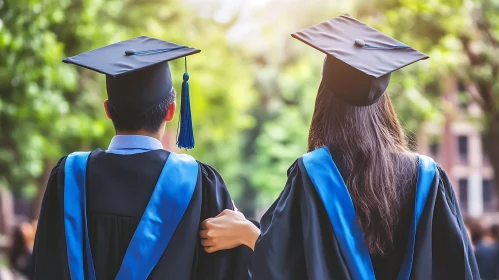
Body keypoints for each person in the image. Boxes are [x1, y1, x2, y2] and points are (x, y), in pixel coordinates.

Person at [249, 14, 476, 279]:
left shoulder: (311, 174)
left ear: (325, 99)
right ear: (385, 104)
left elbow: (280, 264)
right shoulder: (428, 176)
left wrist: (250, 235)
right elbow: (458, 269)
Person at [31, 36, 253, 280]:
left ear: (107, 110)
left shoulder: (67, 177)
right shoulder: (200, 184)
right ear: (171, 111)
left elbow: (45, 266)